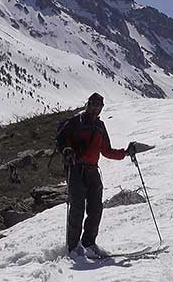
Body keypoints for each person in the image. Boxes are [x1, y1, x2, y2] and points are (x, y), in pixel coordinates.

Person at [55, 93, 135, 258]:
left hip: (93, 170)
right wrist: (67, 150)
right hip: (76, 169)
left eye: (99, 106)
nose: (96, 108)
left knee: (95, 208)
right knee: (77, 208)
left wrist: (125, 153)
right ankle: (73, 247)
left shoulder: (100, 126)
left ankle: (89, 243)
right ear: (88, 104)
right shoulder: (76, 122)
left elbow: (106, 150)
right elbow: (64, 141)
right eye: (93, 104)